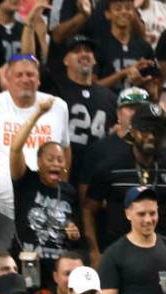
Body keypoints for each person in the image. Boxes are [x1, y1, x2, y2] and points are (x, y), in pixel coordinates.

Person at [0, 54, 71, 258]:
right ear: (7, 79)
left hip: (45, 213)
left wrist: (61, 193)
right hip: (0, 212)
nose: (25, 79)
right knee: (0, 273)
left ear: (38, 79)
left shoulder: (58, 107)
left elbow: (65, 148)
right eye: (19, 75)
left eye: (30, 74)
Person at [84, 102, 166, 263]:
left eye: (157, 131)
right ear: (133, 130)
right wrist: (94, 251)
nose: (151, 136)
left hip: (162, 255)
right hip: (119, 256)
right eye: (145, 130)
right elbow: (88, 209)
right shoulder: (111, 166)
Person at [10, 99, 81, 290]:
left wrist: (74, 232)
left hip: (58, 273)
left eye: (60, 160)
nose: (57, 164)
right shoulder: (26, 180)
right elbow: (15, 148)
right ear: (39, 162)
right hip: (27, 263)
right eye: (51, 159)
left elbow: (75, 231)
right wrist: (37, 114)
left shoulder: (68, 191)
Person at [48, 35, 118, 185]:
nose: (84, 54)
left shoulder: (110, 97)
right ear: (66, 60)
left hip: (97, 172)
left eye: (88, 51)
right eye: (77, 51)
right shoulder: (54, 89)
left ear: (94, 60)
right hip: (63, 168)